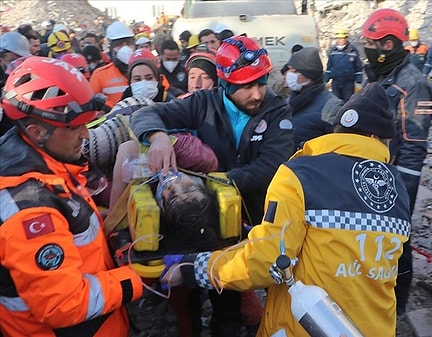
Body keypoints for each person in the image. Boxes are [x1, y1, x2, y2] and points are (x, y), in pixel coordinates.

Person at [159, 83, 412, 337]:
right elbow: (386, 264)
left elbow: (266, 261)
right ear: (375, 139)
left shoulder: (299, 174)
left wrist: (193, 268)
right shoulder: (397, 187)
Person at [129, 35, 294, 336]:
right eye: (247, 86)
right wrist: (157, 136)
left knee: (230, 300)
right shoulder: (204, 104)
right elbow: (145, 114)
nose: (257, 94)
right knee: (188, 296)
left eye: (261, 82)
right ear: (226, 84)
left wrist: (215, 184)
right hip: (202, 223)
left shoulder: (276, 112)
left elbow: (272, 165)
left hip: (250, 226)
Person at [0, 56, 144, 337]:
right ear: (37, 131)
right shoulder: (29, 209)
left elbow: (71, 235)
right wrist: (138, 277)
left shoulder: (50, 166)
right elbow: (63, 304)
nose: (85, 134)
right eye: (74, 126)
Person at [360, 8, 432, 319]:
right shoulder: (378, 74)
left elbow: (414, 148)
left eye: (370, 42)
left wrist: (398, 198)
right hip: (369, 172)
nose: (365, 47)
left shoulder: (413, 84)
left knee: (396, 242)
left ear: (388, 45)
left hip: (393, 179)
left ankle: (397, 305)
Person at [284, 46, 342, 148]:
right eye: (289, 70)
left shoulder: (331, 106)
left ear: (309, 76)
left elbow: (338, 146)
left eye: (295, 71)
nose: (289, 75)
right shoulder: (289, 101)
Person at [89, 21, 135, 108]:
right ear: (110, 48)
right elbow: (92, 106)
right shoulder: (100, 75)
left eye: (128, 44)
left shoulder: (146, 71)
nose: (125, 49)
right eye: (119, 45)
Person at [324, 28, 363, 102]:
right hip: (336, 83)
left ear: (346, 38)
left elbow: (358, 68)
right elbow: (329, 67)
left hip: (348, 84)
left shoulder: (353, 51)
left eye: (341, 38)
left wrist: (358, 82)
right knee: (336, 103)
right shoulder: (333, 51)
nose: (339, 40)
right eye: (338, 38)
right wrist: (325, 80)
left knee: (347, 103)